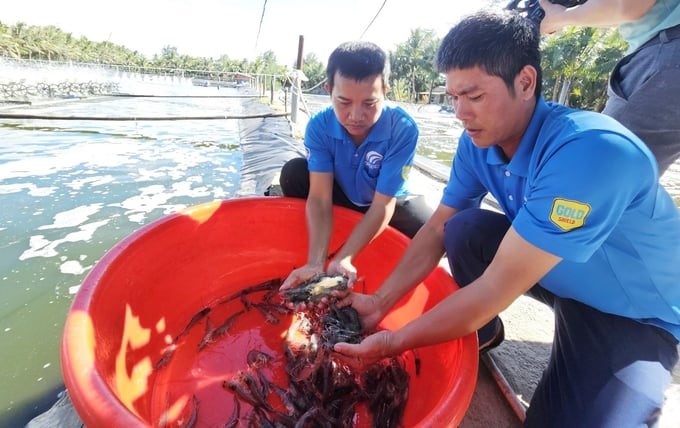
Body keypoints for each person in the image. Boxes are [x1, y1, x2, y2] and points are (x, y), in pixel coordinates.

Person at [332, 10, 680, 427]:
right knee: (462, 227)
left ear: (526, 82)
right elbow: (438, 226)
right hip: (555, 269)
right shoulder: (478, 143)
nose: (460, 112)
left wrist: (394, 340)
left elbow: (497, 285)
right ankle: (484, 330)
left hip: (629, 310)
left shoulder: (592, 150)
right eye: (454, 96)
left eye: (474, 96)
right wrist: (379, 303)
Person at [279, 41, 432, 289]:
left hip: (383, 198)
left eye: (370, 104)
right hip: (341, 192)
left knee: (432, 229)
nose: (356, 115)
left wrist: (344, 258)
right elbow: (319, 197)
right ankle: (321, 242)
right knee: (294, 173)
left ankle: (360, 246)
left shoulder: (402, 128)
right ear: (328, 90)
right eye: (344, 102)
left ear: (385, 91)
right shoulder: (319, 126)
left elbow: (384, 203)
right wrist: (316, 263)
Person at [539, 0, 680, 175]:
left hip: (670, 57)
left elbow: (629, 7)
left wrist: (559, 17)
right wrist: (564, 17)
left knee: (593, 173)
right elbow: (624, 13)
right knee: (630, 185)